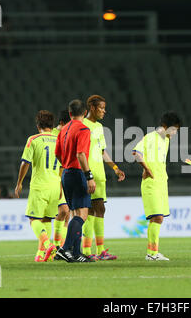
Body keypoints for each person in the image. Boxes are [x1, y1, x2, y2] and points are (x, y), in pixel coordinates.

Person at [132, 111, 181, 261]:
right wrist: (146, 169)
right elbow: (136, 152)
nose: (174, 133)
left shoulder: (165, 140)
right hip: (151, 184)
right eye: (173, 129)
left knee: (159, 218)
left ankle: (153, 252)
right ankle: (152, 253)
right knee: (157, 217)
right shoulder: (151, 137)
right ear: (165, 126)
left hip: (161, 183)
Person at [82, 95, 125, 260]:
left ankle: (98, 251)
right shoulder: (82, 125)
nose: (104, 111)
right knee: (89, 210)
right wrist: (86, 174)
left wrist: (115, 168)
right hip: (88, 175)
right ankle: (88, 251)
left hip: (99, 175)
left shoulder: (99, 127)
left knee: (99, 209)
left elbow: (101, 151)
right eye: (101, 108)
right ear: (92, 107)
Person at [14, 110, 60, 262]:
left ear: (38, 124)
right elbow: (63, 165)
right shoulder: (59, 140)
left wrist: (19, 182)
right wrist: (60, 185)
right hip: (55, 185)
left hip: (40, 186)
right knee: (46, 220)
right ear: (52, 125)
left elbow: (25, 163)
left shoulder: (33, 139)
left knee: (34, 219)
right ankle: (42, 255)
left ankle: (48, 245)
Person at [54, 99, 96, 263]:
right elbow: (80, 154)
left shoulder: (63, 130)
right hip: (78, 173)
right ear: (85, 113)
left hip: (66, 173)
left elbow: (58, 153)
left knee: (75, 214)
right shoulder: (84, 129)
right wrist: (89, 176)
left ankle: (77, 253)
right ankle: (64, 249)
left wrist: (66, 164)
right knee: (82, 215)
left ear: (70, 113)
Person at [51, 109, 71, 249]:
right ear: (62, 123)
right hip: (52, 178)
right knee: (63, 210)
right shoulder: (53, 135)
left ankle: (61, 245)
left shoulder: (65, 135)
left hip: (65, 176)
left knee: (67, 212)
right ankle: (57, 246)